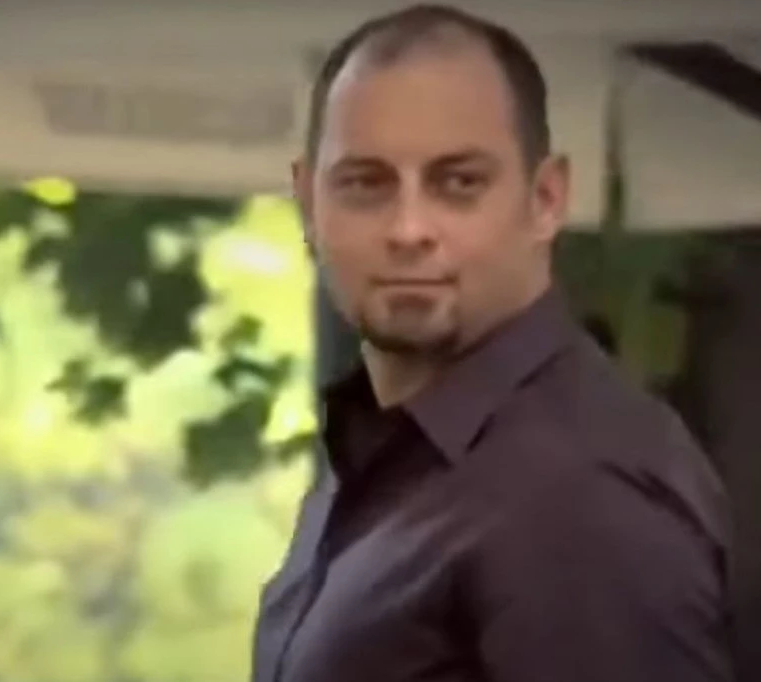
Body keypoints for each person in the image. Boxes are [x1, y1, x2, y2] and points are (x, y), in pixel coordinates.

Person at [252, 5, 733, 681]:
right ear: (308, 202)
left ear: (545, 200)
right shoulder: (383, 453)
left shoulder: (577, 490)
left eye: (459, 184)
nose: (409, 229)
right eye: (365, 184)